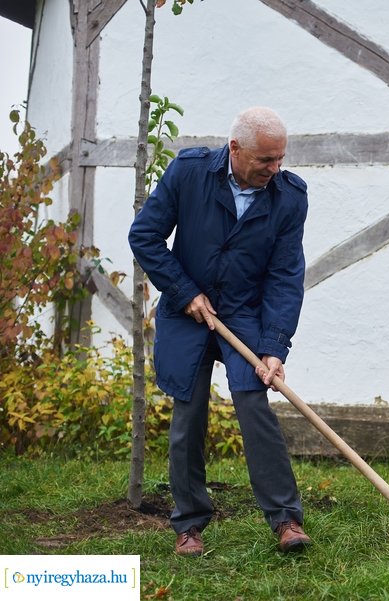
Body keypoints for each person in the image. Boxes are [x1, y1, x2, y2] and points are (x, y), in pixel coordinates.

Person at [129, 106, 311, 556]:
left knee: (254, 404)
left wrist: (273, 347)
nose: (275, 168)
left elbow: (286, 276)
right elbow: (145, 235)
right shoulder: (189, 173)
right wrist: (184, 291)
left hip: (242, 313)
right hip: (186, 308)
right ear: (235, 148)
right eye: (265, 160)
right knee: (188, 416)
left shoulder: (289, 196)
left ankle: (285, 519)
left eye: (280, 159)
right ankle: (189, 524)